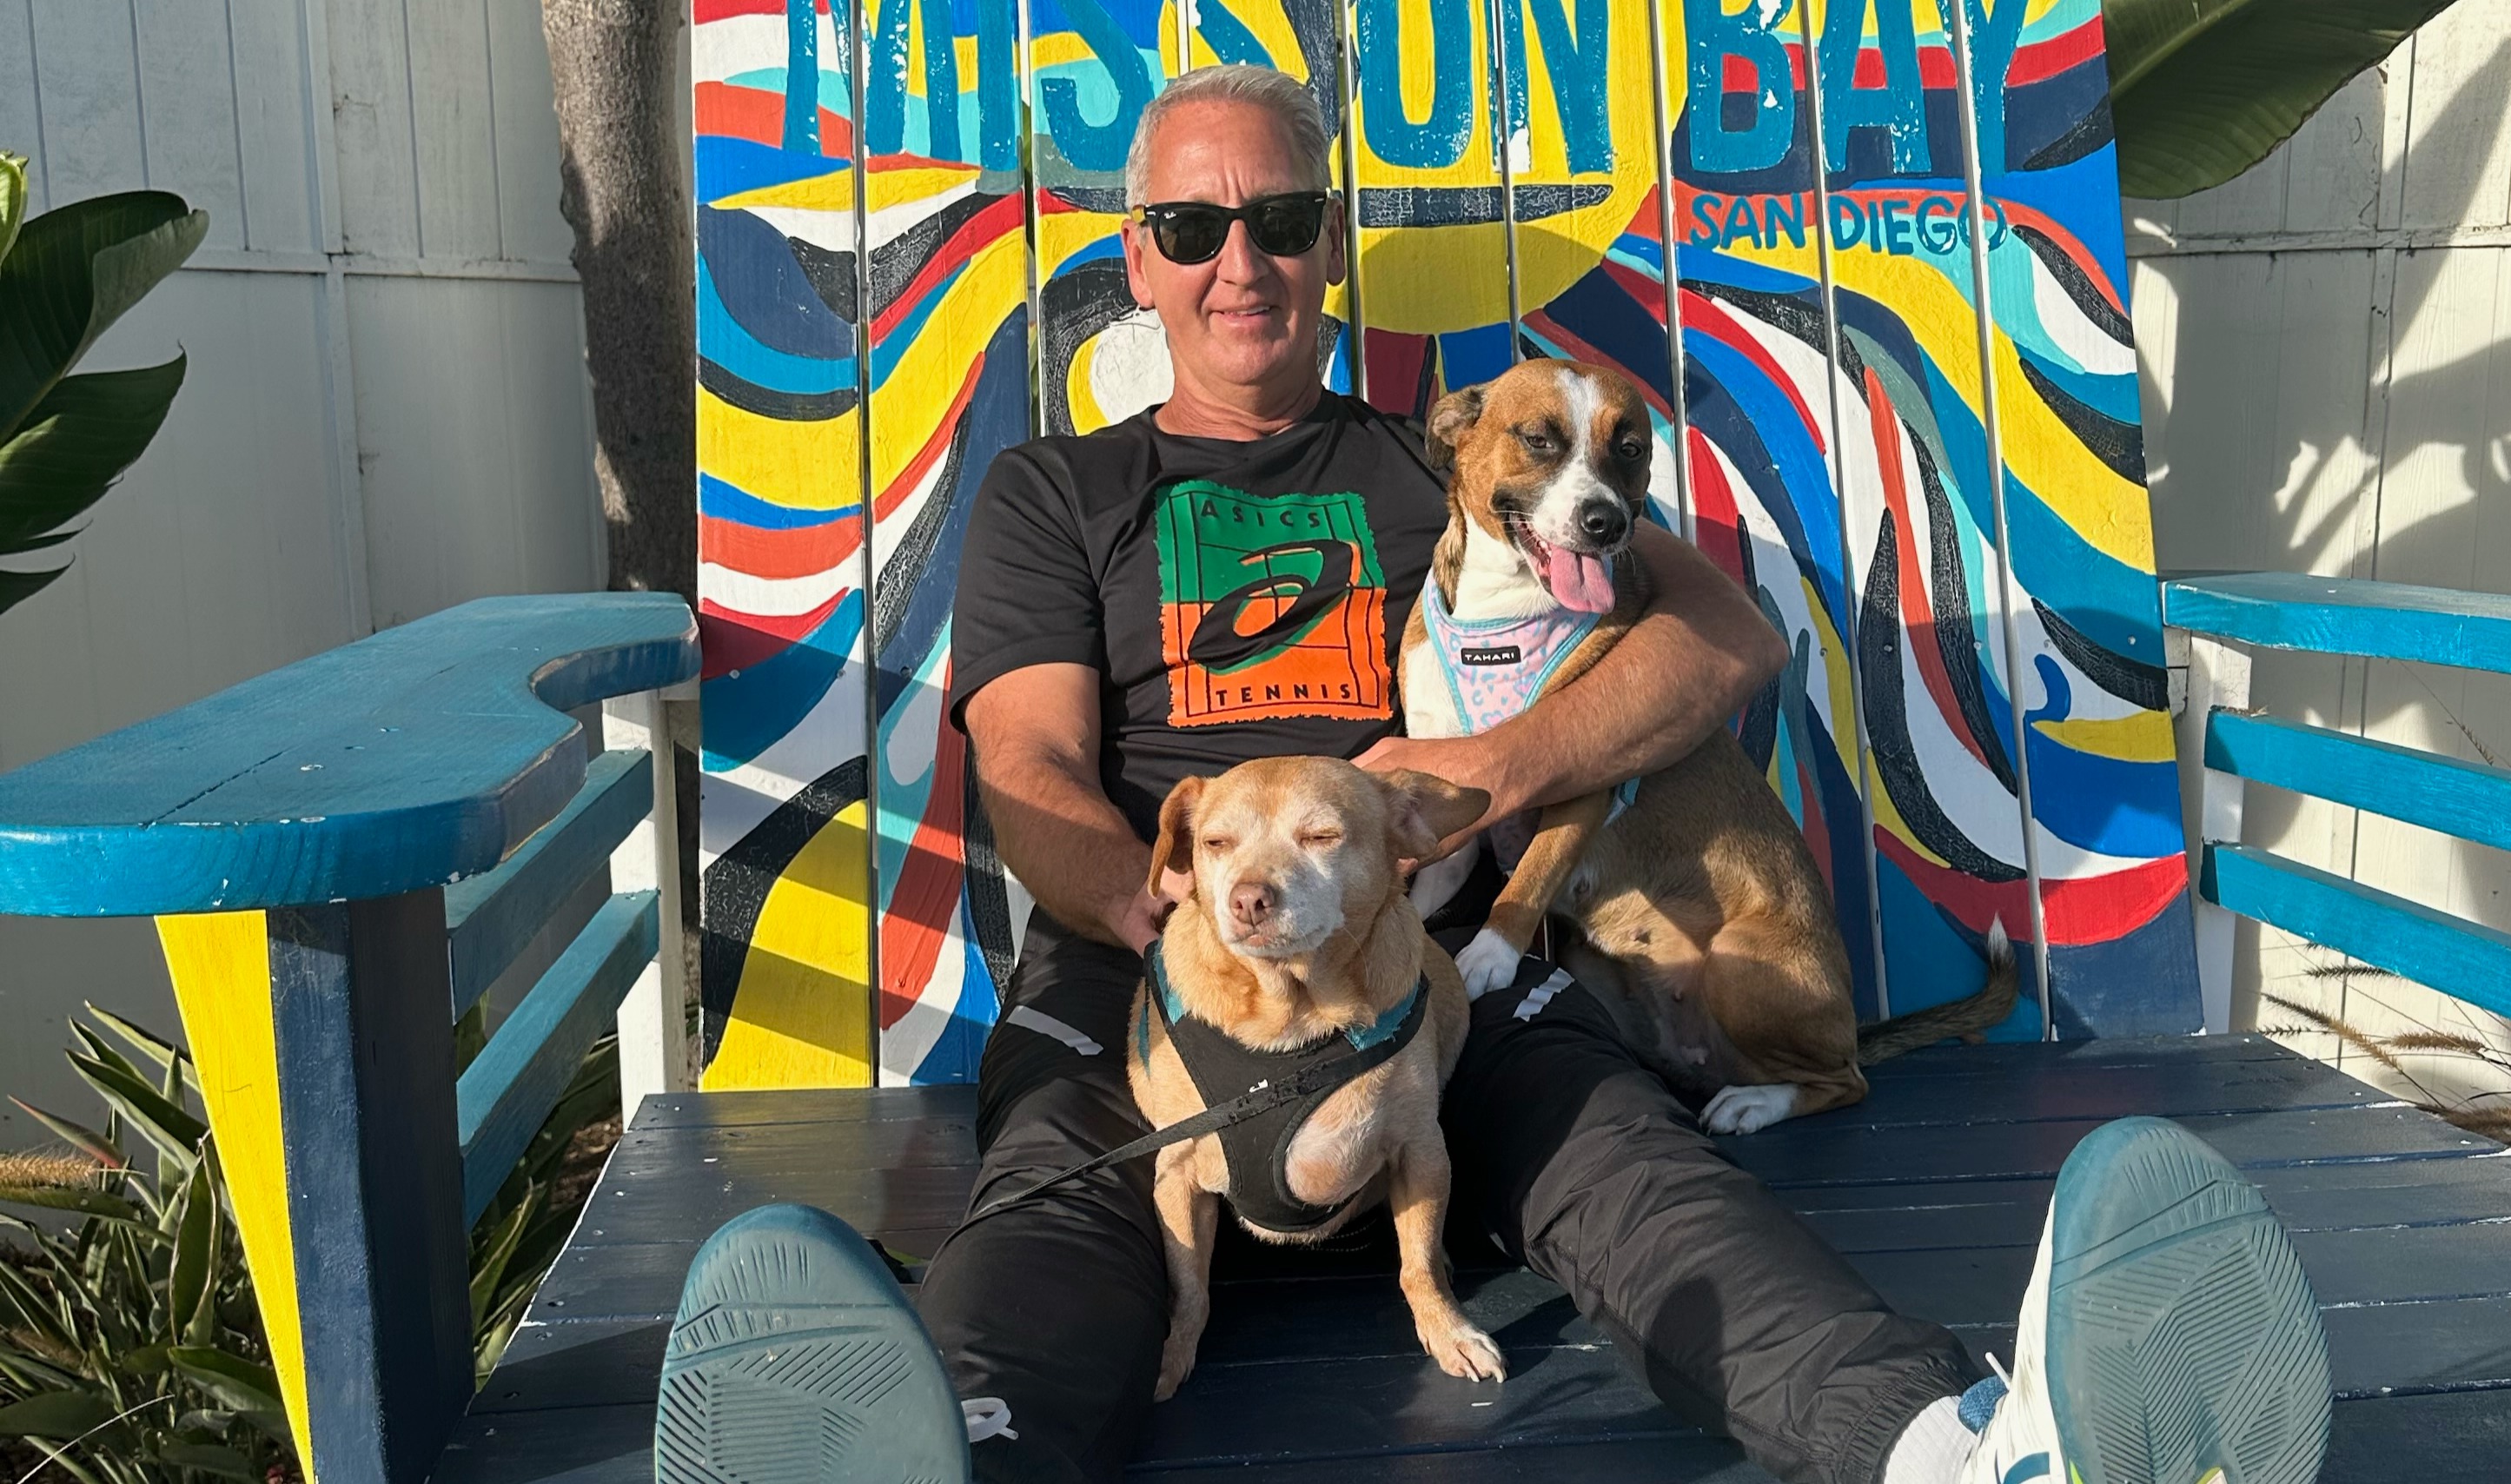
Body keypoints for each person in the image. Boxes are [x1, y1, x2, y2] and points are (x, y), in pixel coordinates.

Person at [652, 64, 2333, 1484]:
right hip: (1150, 952)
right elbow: (1025, 757)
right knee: (1056, 1202)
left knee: (1629, 1170)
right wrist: (1165, 923)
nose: (1243, 261)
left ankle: (1960, 1451)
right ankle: (946, 1452)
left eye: (1282, 220)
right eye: (1194, 227)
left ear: (1330, 246)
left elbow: (1725, 639)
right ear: (1140, 259)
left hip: (1427, 964)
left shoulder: (1462, 465)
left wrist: (1494, 765)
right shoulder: (1059, 491)